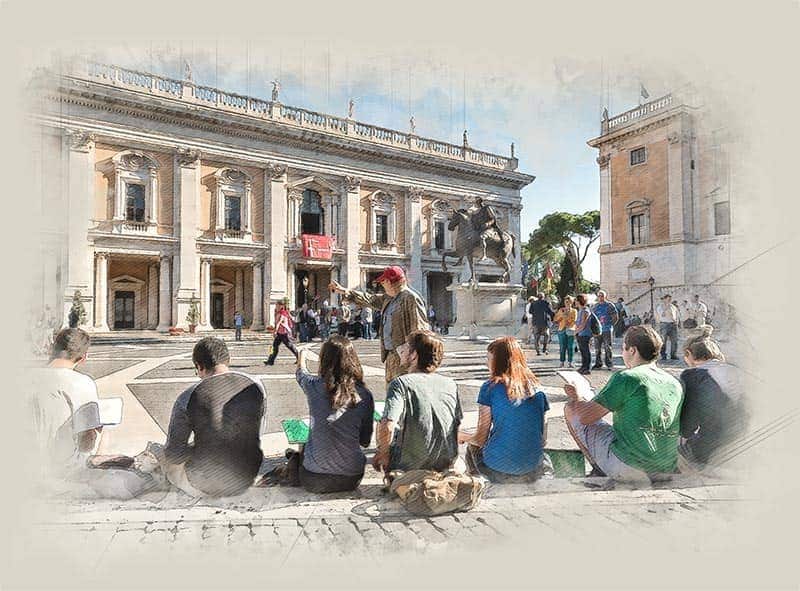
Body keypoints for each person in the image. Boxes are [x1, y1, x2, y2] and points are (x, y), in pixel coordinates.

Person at [563, 325, 684, 482]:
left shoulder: (627, 377)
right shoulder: (674, 382)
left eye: (624, 349)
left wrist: (578, 397)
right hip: (666, 466)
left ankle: (598, 468)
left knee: (571, 408)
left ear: (632, 350)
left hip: (631, 467)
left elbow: (585, 418)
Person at [164, 337, 265, 497]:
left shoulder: (188, 396)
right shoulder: (256, 386)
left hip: (205, 482)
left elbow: (174, 454)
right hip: (248, 475)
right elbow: (256, 433)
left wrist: (197, 447)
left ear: (200, 366)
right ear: (228, 360)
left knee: (164, 459)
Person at [461, 337, 553, 483]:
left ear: (498, 362)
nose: (487, 363)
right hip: (532, 468)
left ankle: (478, 483)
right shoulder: (538, 389)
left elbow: (480, 439)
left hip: (497, 469)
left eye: (489, 359)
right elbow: (542, 440)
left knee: (472, 447)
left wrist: (459, 436)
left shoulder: (489, 388)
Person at [292, 337, 375, 493]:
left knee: (304, 441)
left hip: (314, 478)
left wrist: (301, 356)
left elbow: (300, 374)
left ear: (324, 360)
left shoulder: (313, 386)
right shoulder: (364, 394)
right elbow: (365, 441)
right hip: (351, 478)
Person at [373, 330, 462, 474]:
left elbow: (388, 425)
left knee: (382, 424)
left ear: (414, 355)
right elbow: (455, 425)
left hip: (411, 464)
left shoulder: (400, 384)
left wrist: (383, 453)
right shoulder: (450, 384)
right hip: (445, 462)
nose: (401, 350)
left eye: (406, 346)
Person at [329, 266, 429, 384]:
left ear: (390, 282)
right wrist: (345, 291)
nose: (381, 284)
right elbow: (369, 299)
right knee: (392, 388)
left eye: (383, 281)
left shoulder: (410, 298)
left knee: (404, 389)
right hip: (391, 355)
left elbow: (420, 330)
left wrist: (415, 358)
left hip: (405, 356)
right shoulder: (389, 298)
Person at [679, 328, 747, 468]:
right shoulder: (735, 369)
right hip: (744, 438)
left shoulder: (693, 375)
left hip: (714, 444)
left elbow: (688, 424)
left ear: (689, 354)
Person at [265, 300, 299, 365]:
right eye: (276, 305)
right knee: (274, 346)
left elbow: (279, 323)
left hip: (283, 333)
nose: (276, 306)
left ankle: (299, 357)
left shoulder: (282, 313)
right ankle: (270, 361)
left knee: (290, 346)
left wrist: (275, 331)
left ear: (281, 306)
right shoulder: (281, 312)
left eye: (277, 305)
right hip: (280, 333)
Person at [592, 290, 618, 370]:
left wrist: (611, 325)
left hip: (607, 329)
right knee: (597, 348)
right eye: (599, 296)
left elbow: (615, 316)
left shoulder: (610, 305)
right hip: (598, 331)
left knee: (608, 347)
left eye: (602, 296)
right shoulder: (595, 306)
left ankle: (609, 364)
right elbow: (592, 318)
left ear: (605, 296)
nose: (600, 297)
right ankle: (598, 363)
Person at [554, 296, 577, 368]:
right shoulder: (561, 310)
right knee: (562, 347)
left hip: (570, 329)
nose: (567, 303)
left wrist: (566, 317)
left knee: (570, 347)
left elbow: (574, 320)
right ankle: (562, 362)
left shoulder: (574, 311)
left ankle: (570, 362)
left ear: (571, 302)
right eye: (566, 302)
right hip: (562, 330)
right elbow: (555, 319)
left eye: (569, 301)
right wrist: (561, 317)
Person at [656, 294, 680, 360]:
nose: (669, 301)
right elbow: (662, 315)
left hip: (673, 324)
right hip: (664, 324)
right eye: (668, 299)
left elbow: (677, 315)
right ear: (664, 299)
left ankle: (673, 355)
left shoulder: (673, 307)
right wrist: (666, 308)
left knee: (674, 341)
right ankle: (663, 355)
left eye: (670, 299)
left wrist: (677, 322)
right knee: (663, 341)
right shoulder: (660, 307)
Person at [574, 294, 593, 375]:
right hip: (580, 334)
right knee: (582, 351)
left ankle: (587, 368)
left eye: (576, 300)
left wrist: (576, 331)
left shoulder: (585, 311)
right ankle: (583, 366)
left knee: (586, 351)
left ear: (579, 301)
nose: (575, 302)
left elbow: (583, 324)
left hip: (585, 334)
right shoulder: (580, 310)